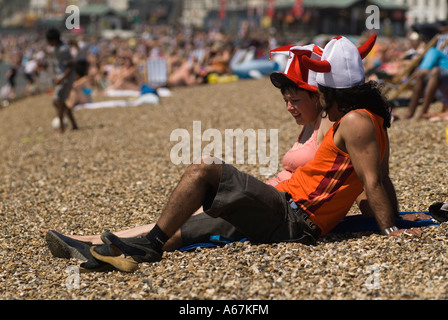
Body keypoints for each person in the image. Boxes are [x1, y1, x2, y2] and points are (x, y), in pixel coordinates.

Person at [47, 35, 415, 273]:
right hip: (282, 209)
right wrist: (391, 220)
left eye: (320, 93)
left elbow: (374, 181)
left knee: (204, 168)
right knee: (188, 229)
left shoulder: (354, 121)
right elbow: (377, 182)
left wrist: (391, 230)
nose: (320, 101)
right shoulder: (370, 121)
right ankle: (101, 249)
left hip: (292, 216)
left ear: (334, 91)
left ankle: (148, 248)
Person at [46, 28, 78, 133]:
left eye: (49, 41)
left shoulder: (62, 50)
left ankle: (61, 127)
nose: (48, 43)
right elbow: (69, 41)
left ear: (54, 40)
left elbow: (70, 65)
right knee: (59, 101)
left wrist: (61, 78)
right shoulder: (60, 45)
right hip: (63, 76)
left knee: (58, 101)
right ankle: (73, 124)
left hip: (66, 77)